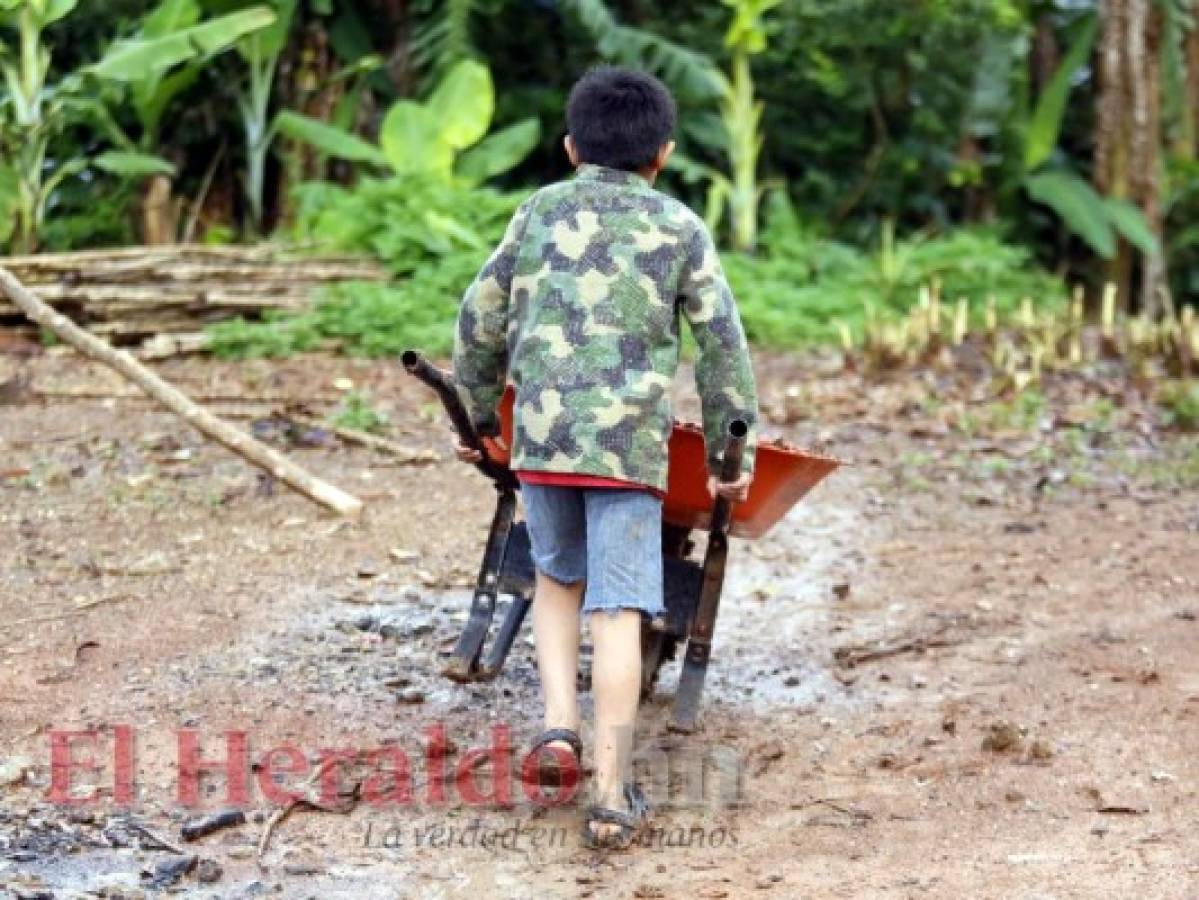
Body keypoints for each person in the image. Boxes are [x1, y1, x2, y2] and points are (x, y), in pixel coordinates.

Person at [451, 65, 758, 850]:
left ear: (567, 146)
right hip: (626, 450)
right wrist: (729, 452)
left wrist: (483, 416)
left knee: (556, 578)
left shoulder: (535, 213)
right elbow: (723, 344)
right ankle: (613, 790)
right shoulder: (680, 228)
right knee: (617, 611)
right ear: (663, 153)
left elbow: (476, 319)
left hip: (545, 441)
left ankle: (558, 729)